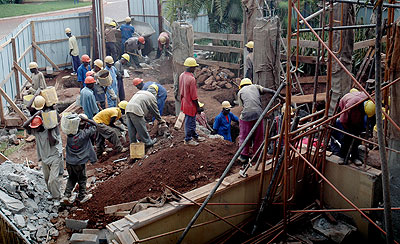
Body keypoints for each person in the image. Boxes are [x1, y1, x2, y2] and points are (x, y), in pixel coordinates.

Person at [23, 111, 63, 205]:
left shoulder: (50, 130)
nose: (35, 129)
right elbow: (25, 125)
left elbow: (53, 142)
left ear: (41, 126)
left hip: (54, 157)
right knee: (46, 178)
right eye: (34, 128)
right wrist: (34, 115)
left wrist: (49, 129)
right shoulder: (35, 132)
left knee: (53, 179)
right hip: (44, 158)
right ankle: (52, 193)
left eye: (36, 127)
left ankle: (57, 197)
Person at [237, 78, 277, 163]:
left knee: (244, 135)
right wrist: (276, 93)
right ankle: (258, 155)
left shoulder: (240, 92)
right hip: (259, 114)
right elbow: (267, 90)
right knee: (258, 136)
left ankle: (244, 156)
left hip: (246, 116)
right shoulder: (255, 87)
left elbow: (242, 106)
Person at [332, 91, 376, 165]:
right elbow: (343, 120)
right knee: (346, 138)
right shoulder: (350, 106)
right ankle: (343, 156)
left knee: (356, 138)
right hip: (345, 106)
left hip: (357, 115)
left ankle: (355, 157)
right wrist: (348, 130)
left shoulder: (369, 102)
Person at [63, 114, 97, 204]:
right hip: (79, 162)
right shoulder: (83, 135)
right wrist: (88, 120)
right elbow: (96, 126)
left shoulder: (69, 136)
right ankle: (82, 196)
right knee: (82, 178)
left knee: (72, 178)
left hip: (69, 162)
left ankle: (66, 195)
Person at [179, 57, 205, 146]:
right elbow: (194, 96)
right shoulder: (191, 79)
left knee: (192, 121)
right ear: (191, 67)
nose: (195, 69)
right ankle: (188, 139)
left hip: (184, 101)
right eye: (194, 67)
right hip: (190, 103)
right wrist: (198, 107)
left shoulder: (182, 75)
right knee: (189, 121)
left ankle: (194, 135)